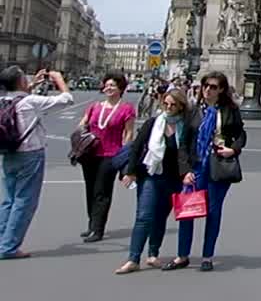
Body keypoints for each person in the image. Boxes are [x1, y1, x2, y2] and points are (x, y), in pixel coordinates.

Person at [165, 72, 245, 272]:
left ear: (221, 90)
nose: (208, 89)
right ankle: (182, 255)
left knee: (213, 212)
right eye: (205, 85)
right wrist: (185, 171)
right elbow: (183, 143)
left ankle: (207, 256)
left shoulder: (229, 111)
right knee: (187, 211)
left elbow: (241, 134)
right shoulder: (192, 111)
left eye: (213, 86)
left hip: (218, 165)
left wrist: (233, 149)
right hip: (197, 165)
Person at [116, 90, 195, 274]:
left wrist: (188, 172)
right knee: (144, 216)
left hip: (174, 178)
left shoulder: (186, 127)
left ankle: (153, 254)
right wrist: (131, 172)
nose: (168, 108)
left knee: (160, 217)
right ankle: (133, 259)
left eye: (173, 105)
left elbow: (189, 153)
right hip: (150, 175)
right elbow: (136, 147)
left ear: (181, 106)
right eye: (165, 104)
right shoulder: (153, 123)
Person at [0, 67, 73, 259]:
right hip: (30, 154)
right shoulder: (30, 101)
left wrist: (32, 85)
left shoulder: (3, 100)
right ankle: (9, 247)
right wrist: (59, 79)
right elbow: (67, 100)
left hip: (8, 154)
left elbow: (19, 100)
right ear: (21, 82)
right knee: (24, 201)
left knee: (8, 200)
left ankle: (2, 240)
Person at [76, 72, 137, 243]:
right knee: (90, 189)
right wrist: (81, 132)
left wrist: (125, 155)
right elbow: (83, 124)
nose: (108, 88)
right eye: (107, 85)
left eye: (113, 85)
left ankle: (98, 229)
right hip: (90, 153)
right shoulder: (94, 106)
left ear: (121, 89)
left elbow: (129, 133)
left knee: (102, 192)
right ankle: (91, 224)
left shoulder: (127, 109)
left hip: (111, 155)